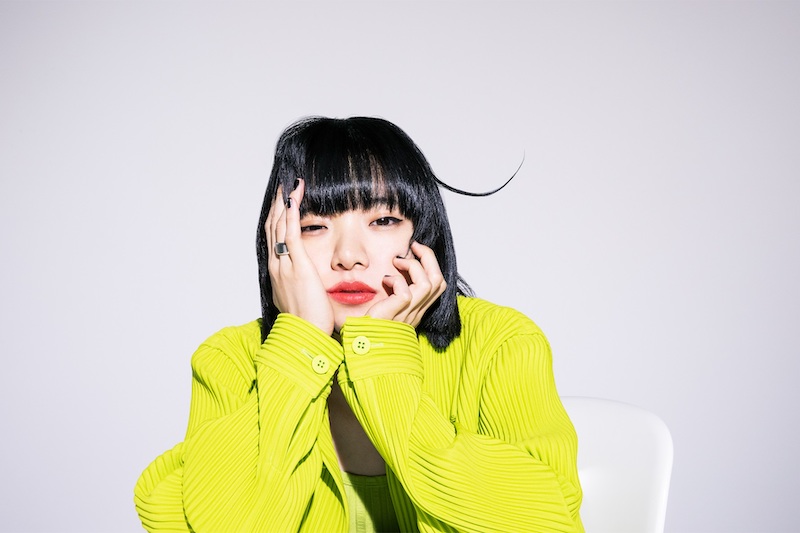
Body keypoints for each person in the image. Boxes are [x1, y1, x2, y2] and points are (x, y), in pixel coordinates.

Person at [134, 116, 584, 532]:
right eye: (313, 226)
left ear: (422, 234)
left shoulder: (498, 343)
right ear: (278, 242)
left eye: (383, 220)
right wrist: (301, 346)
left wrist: (384, 357)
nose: (348, 256)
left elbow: (548, 522)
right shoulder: (230, 360)